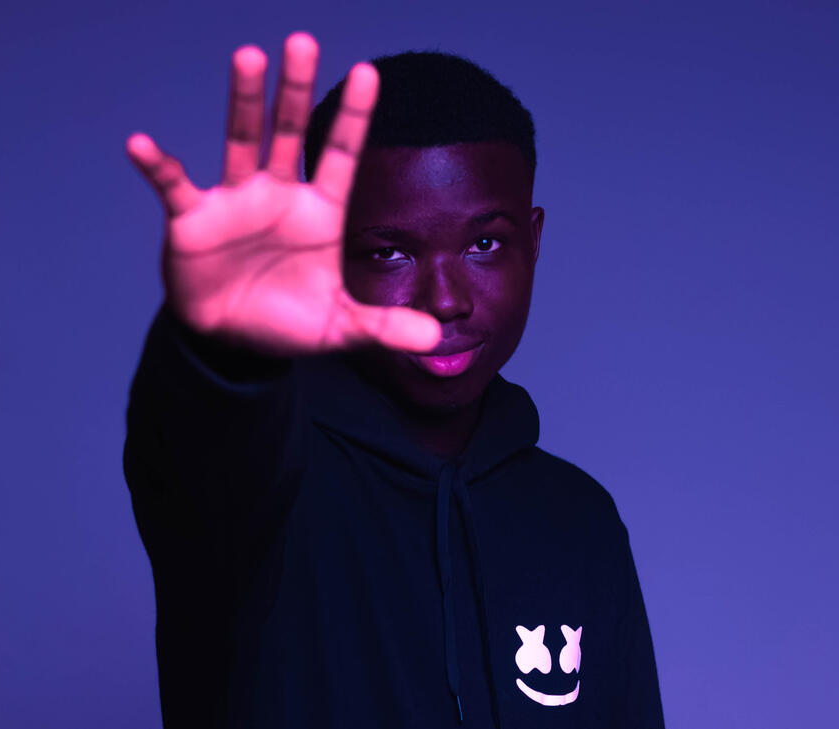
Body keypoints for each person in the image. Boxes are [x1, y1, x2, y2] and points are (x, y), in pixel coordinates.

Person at [122, 31, 665, 729]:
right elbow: (200, 441)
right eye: (390, 253)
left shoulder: (580, 519)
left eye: (484, 244)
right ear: (325, 255)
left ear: (533, 240)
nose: (445, 299)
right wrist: (222, 348)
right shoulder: (260, 482)